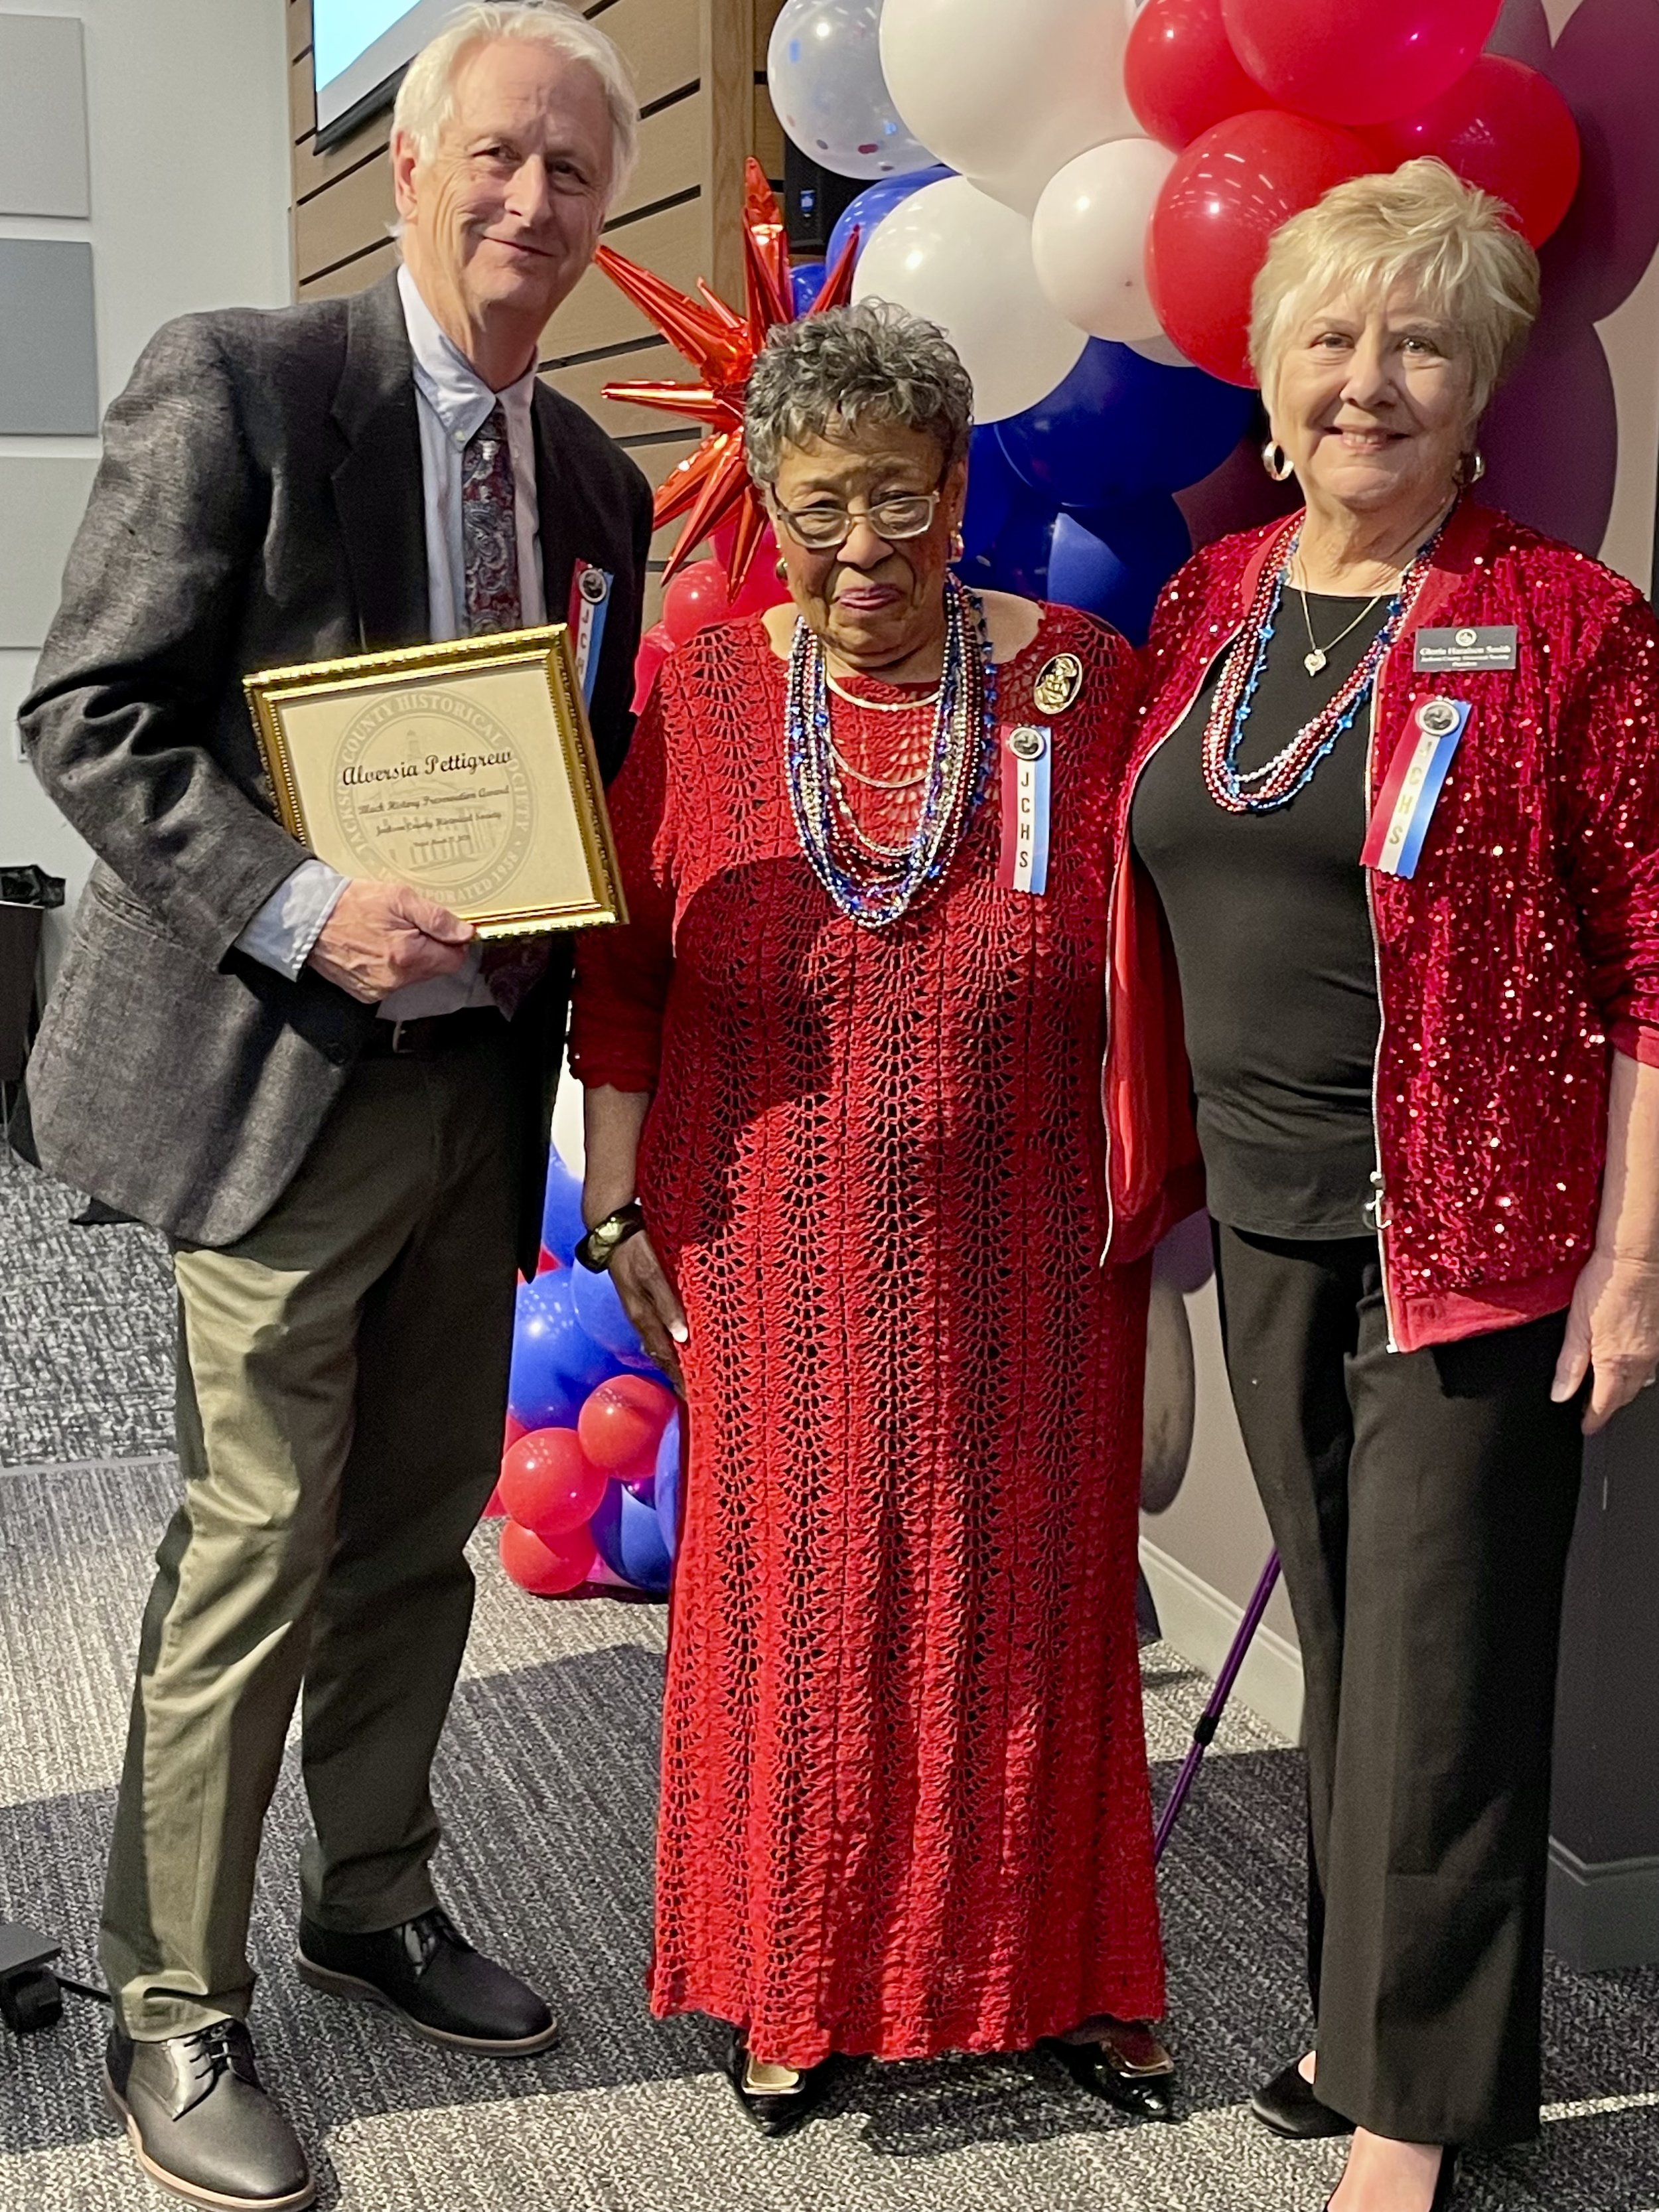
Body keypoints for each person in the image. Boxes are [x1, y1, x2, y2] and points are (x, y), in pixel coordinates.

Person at [13, 7, 652, 2206]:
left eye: (572, 173)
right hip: (279, 1073)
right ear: (404, 163)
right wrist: (297, 898)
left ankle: (370, 1896)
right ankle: (172, 2004)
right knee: (254, 1540)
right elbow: (88, 712)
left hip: (484, 1099)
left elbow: (595, 780)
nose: (529, 206)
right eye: (494, 157)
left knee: (416, 1535)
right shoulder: (246, 384)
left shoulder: (598, 486)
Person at [1116, 161, 1659, 2212]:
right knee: (1352, 1639)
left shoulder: (1564, 623)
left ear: (1478, 384)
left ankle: (1407, 2121)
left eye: (1414, 342)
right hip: (1259, 1212)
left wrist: (1630, 1264)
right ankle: (1383, 2023)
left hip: (1475, 1230)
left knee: (1440, 1666)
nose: (1367, 382)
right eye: (1330, 339)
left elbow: (1650, 960)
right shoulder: (1207, 603)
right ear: (1270, 378)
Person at [567, 301, 1173, 2134]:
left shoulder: (1077, 674)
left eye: (899, 501)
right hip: (775, 1229)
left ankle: (1065, 1976)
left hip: (1032, 1235)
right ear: (764, 498)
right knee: (809, 1611)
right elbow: (625, 970)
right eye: (820, 507)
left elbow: (1160, 951)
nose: (862, 550)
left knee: (1031, 1610)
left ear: (957, 483)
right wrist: (609, 1198)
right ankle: (795, 1980)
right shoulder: (710, 682)